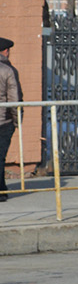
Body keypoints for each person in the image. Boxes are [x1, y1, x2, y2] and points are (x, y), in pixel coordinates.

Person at [0, 37, 19, 202]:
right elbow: (14, 98)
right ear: (5, 51)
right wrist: (17, 119)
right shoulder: (8, 70)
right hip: (3, 120)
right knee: (0, 156)